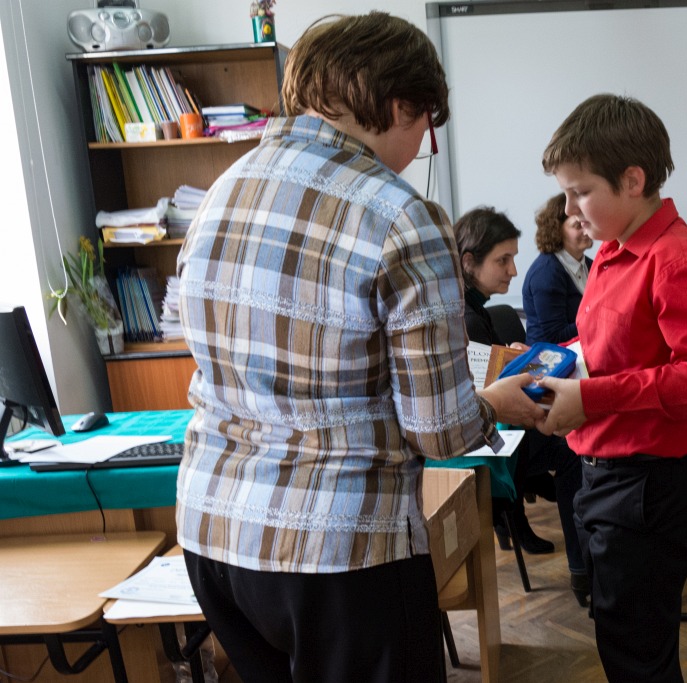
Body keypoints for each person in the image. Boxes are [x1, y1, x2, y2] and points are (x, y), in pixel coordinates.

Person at [174, 13, 545, 683]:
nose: (423, 146)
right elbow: (439, 429)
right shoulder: (400, 213)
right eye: (426, 126)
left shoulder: (221, 191)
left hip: (215, 533)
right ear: (401, 105)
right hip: (339, 548)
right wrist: (494, 404)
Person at [536, 94, 687, 682]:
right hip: (612, 476)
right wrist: (558, 368)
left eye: (580, 192)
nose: (570, 210)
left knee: (636, 651)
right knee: (624, 632)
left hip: (648, 484)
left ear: (633, 180)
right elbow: (611, 345)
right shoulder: (612, 250)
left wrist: (591, 398)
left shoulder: (674, 261)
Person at [454, 206, 589, 606]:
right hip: (486, 444)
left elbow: (488, 379)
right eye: (503, 260)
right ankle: (583, 571)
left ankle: (579, 561)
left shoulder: (472, 309)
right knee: (572, 448)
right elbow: (484, 397)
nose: (514, 271)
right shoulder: (466, 318)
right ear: (469, 262)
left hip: (496, 429)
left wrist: (514, 359)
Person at [522, 193, 594, 344]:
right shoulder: (546, 273)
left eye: (587, 222)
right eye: (578, 225)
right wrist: (599, 319)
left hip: (582, 349)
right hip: (548, 356)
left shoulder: (592, 264)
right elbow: (556, 336)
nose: (586, 230)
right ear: (556, 230)